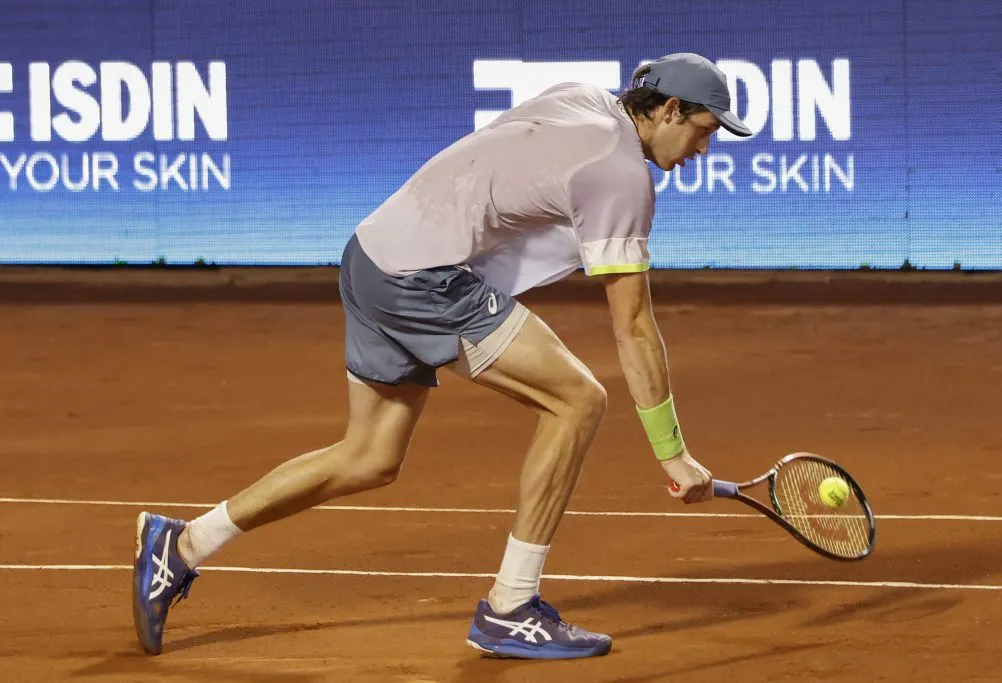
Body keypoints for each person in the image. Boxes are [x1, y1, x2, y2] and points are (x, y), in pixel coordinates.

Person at [132, 52, 753, 660]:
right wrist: (673, 454)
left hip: (371, 254)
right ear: (670, 110)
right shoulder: (622, 175)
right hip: (422, 277)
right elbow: (635, 327)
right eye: (704, 131)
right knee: (577, 400)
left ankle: (182, 545)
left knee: (369, 458)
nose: (705, 150)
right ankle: (511, 606)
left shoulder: (584, 99)